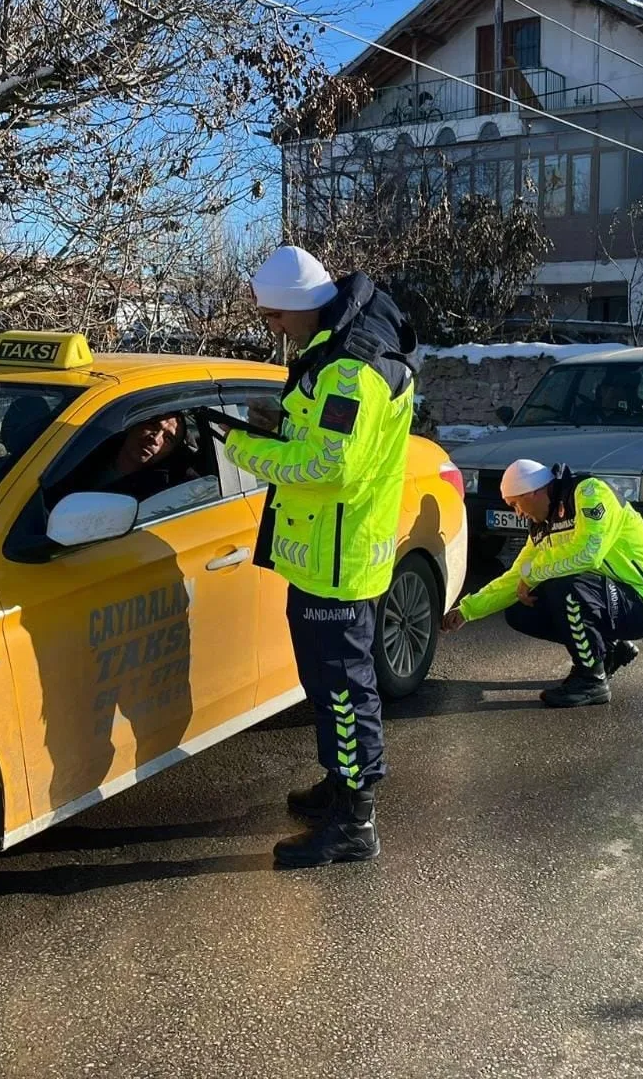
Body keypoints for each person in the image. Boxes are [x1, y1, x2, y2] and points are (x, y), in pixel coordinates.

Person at [223, 244, 418, 868]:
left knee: (343, 692)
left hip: (340, 563)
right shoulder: (332, 351)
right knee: (329, 683)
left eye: (276, 316)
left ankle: (355, 822)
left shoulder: (352, 370)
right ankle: (340, 784)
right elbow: (318, 439)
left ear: (303, 305)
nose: (273, 328)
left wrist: (244, 451)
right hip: (326, 555)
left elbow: (329, 467)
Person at [443, 459, 643, 708]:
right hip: (610, 596)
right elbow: (517, 576)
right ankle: (608, 650)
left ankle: (591, 680)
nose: (517, 513)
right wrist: (468, 610)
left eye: (515, 504)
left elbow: (589, 552)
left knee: (563, 585)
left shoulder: (589, 492)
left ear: (532, 492)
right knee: (520, 611)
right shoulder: (542, 525)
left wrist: (533, 575)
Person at [92, 414, 200, 503]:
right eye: (153, 426)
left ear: (171, 452)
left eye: (168, 439)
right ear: (134, 425)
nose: (156, 439)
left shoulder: (158, 494)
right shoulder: (92, 447)